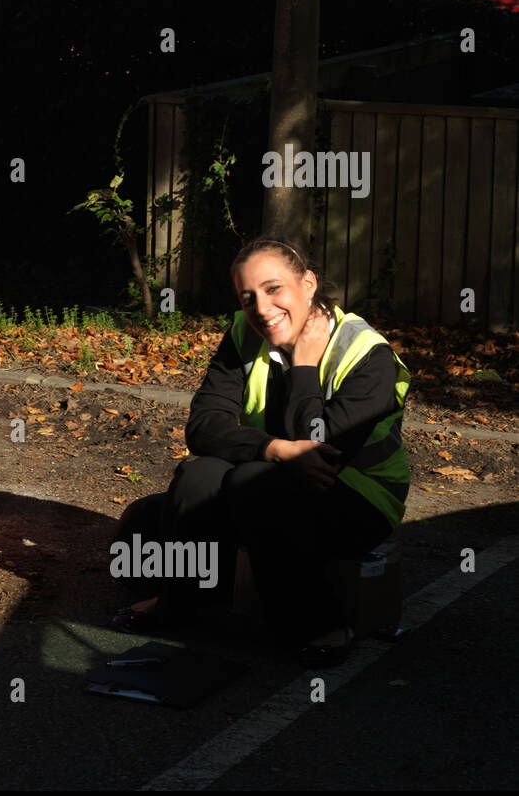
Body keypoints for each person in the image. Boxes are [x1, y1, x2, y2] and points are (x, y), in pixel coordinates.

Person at [109, 237, 411, 666]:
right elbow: (204, 427)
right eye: (247, 297)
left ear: (308, 283)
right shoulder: (243, 333)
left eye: (273, 289)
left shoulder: (367, 354)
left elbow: (320, 449)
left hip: (359, 494)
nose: (261, 308)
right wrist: (273, 449)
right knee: (191, 483)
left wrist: (305, 367)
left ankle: (319, 624)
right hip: (270, 474)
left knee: (250, 486)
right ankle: (179, 602)